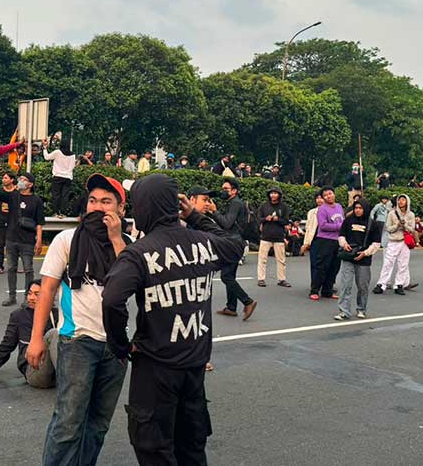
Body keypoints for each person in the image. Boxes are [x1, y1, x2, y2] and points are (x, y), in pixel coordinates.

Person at [101, 173, 244, 466]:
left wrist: (121, 347)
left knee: (154, 448)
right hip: (194, 368)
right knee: (191, 447)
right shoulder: (203, 243)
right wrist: (194, 217)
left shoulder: (138, 253)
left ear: (144, 207)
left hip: (155, 368)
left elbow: (113, 299)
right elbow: (234, 244)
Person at [26, 173, 131, 465]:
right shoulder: (67, 239)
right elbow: (46, 290)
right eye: (93, 201)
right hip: (76, 341)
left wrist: (116, 238)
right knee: (68, 424)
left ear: (120, 209)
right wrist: (36, 339)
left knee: (98, 424)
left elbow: (130, 284)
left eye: (106, 202)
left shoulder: (128, 244)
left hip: (115, 347)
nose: (97, 207)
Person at [0, 280, 58, 387]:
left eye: (37, 295)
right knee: (54, 334)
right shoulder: (19, 316)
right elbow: (7, 344)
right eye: (29, 293)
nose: (31, 298)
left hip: (56, 373)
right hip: (35, 372)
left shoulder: (56, 314)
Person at [209, 180, 258, 321]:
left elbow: (226, 223)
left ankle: (248, 302)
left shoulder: (235, 203)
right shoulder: (234, 202)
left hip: (232, 243)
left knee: (226, 277)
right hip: (235, 242)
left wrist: (214, 211)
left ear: (234, 191)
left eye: (226, 188)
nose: (223, 190)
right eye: (222, 188)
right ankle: (231, 307)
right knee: (230, 275)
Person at [335, 197, 383, 320]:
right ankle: (344, 311)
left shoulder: (373, 223)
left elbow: (376, 243)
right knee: (346, 284)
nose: (357, 210)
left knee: (362, 286)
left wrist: (366, 253)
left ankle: (361, 309)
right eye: (356, 207)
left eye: (360, 208)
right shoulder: (348, 220)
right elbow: (341, 235)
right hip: (348, 256)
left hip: (364, 258)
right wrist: (344, 244)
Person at [4, 172, 45, 306]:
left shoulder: (36, 200)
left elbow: (39, 222)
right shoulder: (13, 196)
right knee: (11, 268)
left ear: (30, 184)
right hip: (11, 238)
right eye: (20, 178)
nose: (20, 180)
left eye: (24, 179)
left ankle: (29, 297)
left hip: (27, 240)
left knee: (28, 269)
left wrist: (39, 240)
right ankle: (12, 296)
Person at [374, 194, 416, 295]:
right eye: (399, 200)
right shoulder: (392, 214)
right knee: (388, 263)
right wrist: (397, 225)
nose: (401, 202)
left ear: (407, 202)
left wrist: (404, 225)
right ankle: (381, 284)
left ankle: (399, 285)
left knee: (403, 264)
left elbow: (412, 229)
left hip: (404, 242)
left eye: (403, 200)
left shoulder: (411, 215)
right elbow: (388, 228)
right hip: (393, 241)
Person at [310, 186, 345, 300]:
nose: (328, 196)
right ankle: (314, 290)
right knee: (322, 266)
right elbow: (323, 225)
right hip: (325, 240)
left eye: (330, 193)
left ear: (334, 194)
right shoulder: (322, 209)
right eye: (325, 195)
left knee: (334, 267)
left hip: (338, 240)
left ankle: (327, 290)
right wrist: (339, 226)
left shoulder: (339, 207)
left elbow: (343, 221)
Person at [257, 186, 291, 288]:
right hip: (265, 235)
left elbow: (286, 221)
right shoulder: (264, 206)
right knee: (262, 259)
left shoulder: (284, 207)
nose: (273, 195)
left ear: (279, 195)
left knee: (281, 259)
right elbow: (258, 218)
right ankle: (261, 279)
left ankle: (282, 279)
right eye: (271, 193)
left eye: (275, 193)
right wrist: (265, 219)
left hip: (279, 236)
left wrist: (278, 219)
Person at [42, 136, 77, 218]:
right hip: (68, 177)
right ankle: (63, 212)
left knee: (56, 195)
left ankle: (55, 212)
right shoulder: (73, 155)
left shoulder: (57, 152)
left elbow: (47, 157)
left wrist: (44, 148)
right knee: (65, 195)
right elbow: (72, 166)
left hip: (57, 176)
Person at [0, 165, 16, 275]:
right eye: (3, 178)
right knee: (0, 244)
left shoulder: (17, 192)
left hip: (13, 221)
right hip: (1, 220)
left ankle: (13, 265)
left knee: (14, 244)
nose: (4, 179)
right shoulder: (0, 191)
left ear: (12, 180)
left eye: (6, 178)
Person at [303, 191, 324, 285]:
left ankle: (326, 284)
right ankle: (314, 284)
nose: (319, 200)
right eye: (318, 198)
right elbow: (308, 228)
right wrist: (306, 243)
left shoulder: (332, 210)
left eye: (321, 197)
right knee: (314, 263)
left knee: (326, 264)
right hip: (315, 240)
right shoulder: (312, 212)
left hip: (327, 240)